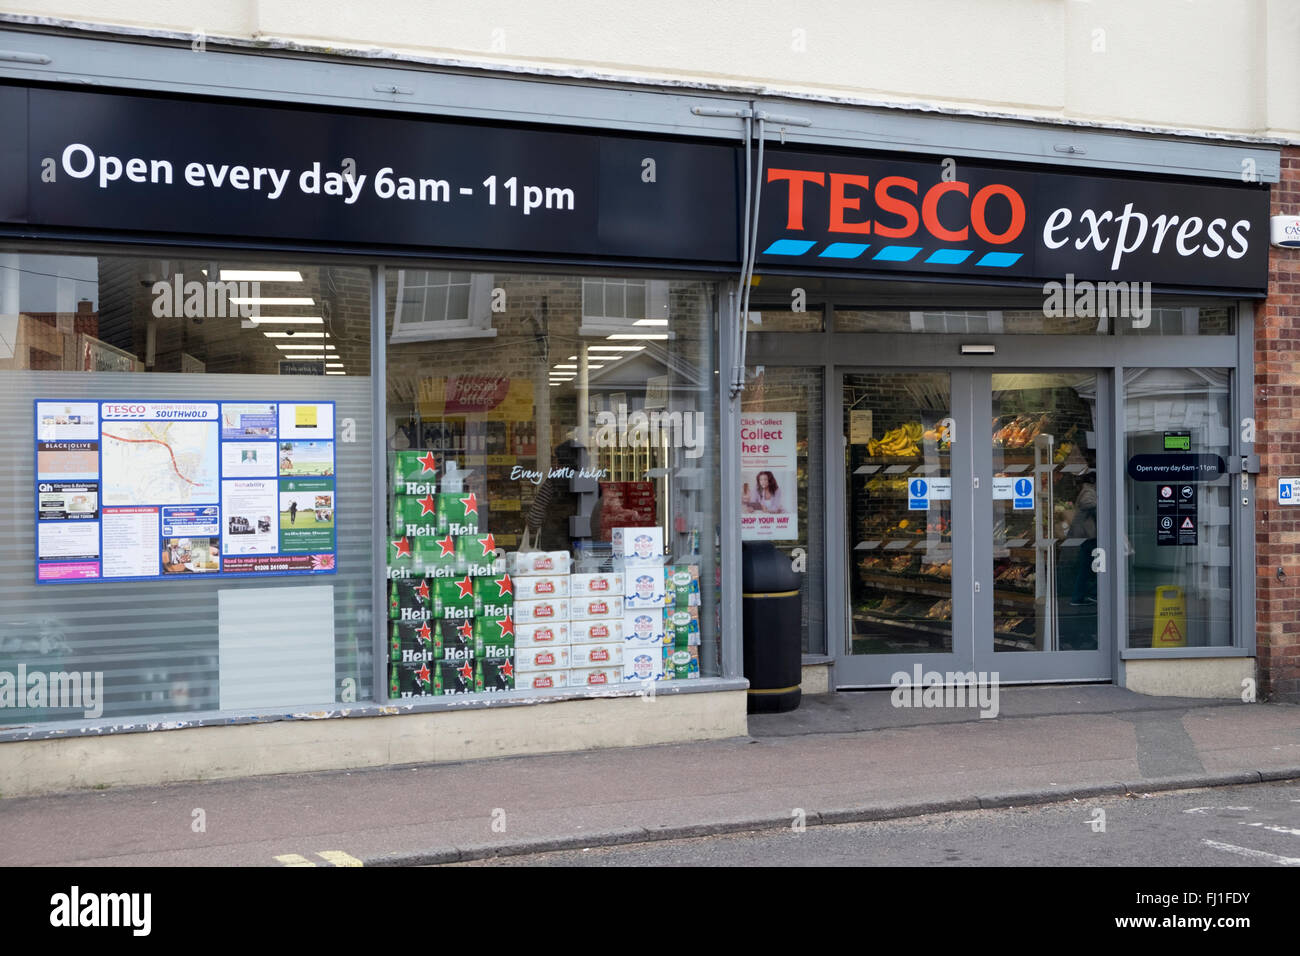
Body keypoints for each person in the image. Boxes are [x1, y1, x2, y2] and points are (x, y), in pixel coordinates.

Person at [1069, 473, 1098, 606]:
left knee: (1088, 566)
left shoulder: (1087, 491)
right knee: (1089, 567)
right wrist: (1100, 506)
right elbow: (1088, 504)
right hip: (1089, 535)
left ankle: (1085, 594)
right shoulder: (1088, 491)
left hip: (1088, 535)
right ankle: (1082, 596)